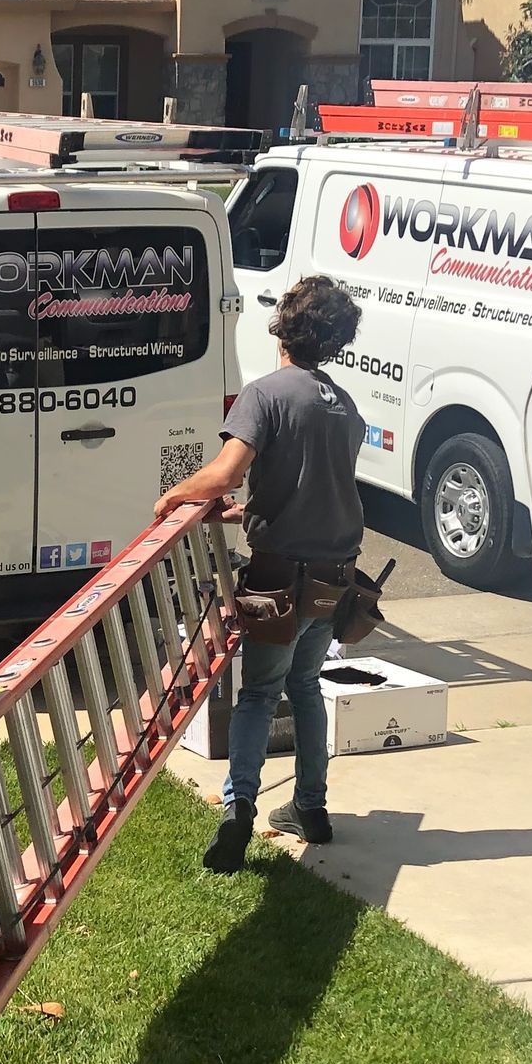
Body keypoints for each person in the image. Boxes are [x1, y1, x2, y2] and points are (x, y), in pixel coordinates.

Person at [152, 271, 366, 875]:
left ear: (283, 329)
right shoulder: (343, 406)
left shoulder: (266, 394)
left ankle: (238, 809)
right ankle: (311, 809)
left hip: (276, 579)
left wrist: (175, 496)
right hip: (331, 579)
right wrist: (251, 511)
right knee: (306, 689)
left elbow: (223, 472)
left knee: (257, 695)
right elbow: (315, 490)